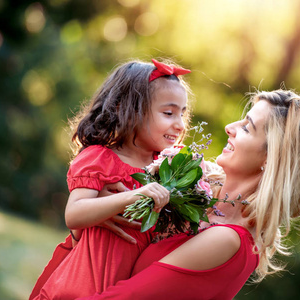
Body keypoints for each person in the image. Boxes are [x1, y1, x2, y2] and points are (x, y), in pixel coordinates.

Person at [79, 89, 300, 300]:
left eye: (247, 128)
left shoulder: (228, 239)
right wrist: (101, 210)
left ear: (273, 159)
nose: (229, 127)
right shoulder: (201, 196)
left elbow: (125, 297)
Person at [29, 58, 192, 299]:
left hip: (127, 289)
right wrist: (132, 196)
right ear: (127, 109)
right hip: (82, 286)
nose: (179, 125)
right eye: (168, 113)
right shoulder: (101, 158)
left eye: (182, 114)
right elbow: (74, 214)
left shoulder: (169, 168)